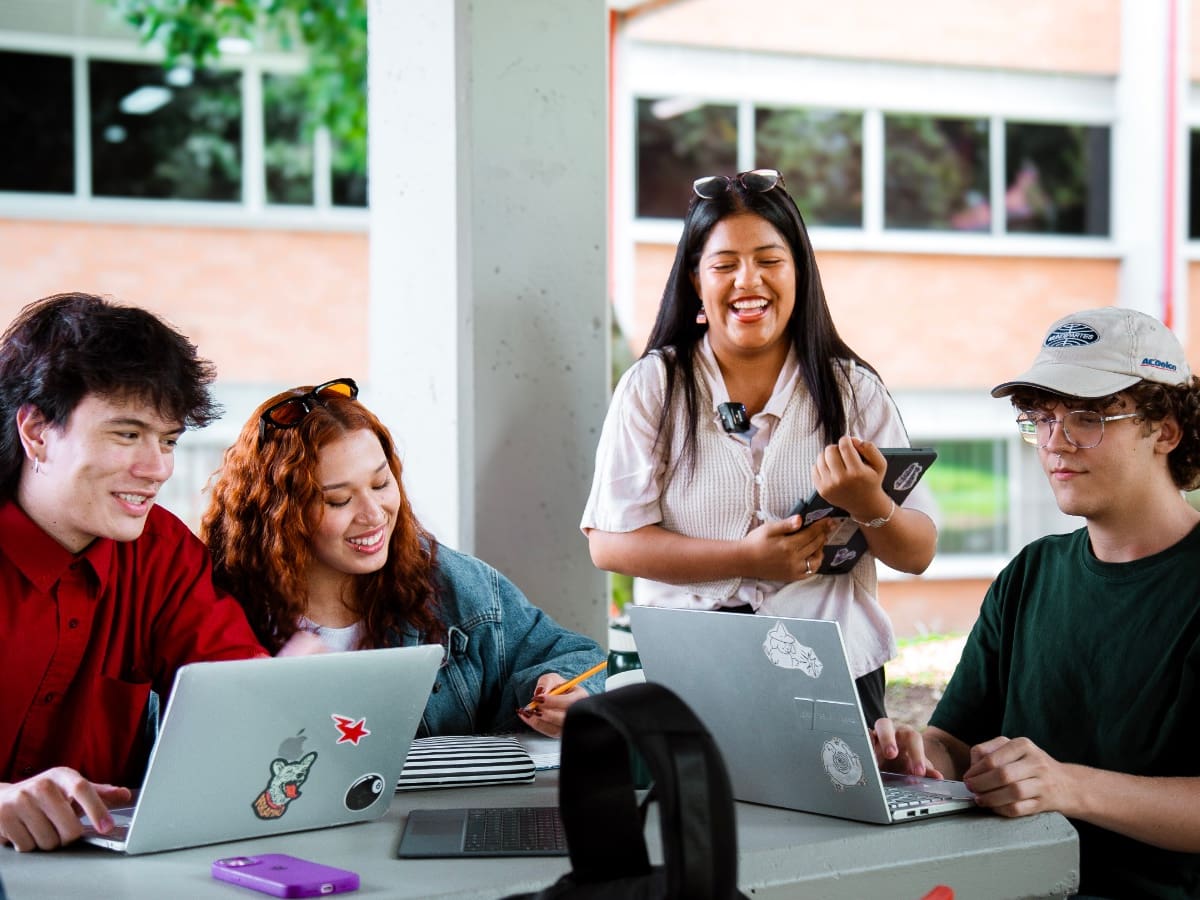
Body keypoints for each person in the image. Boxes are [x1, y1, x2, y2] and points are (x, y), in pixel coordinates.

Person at [581, 168, 937, 724]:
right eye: (724, 265)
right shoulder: (654, 386)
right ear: (696, 280)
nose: (748, 281)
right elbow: (610, 545)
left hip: (833, 668)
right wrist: (744, 558)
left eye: (769, 261)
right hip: (691, 669)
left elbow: (917, 553)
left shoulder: (852, 390)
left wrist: (870, 503)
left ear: (799, 272)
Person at [875, 307, 1200, 898]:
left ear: (1166, 431)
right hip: (1009, 883)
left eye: (1088, 418)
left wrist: (1067, 787)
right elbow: (956, 744)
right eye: (1042, 419)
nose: (1055, 443)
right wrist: (915, 761)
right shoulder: (1030, 573)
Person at [0, 292, 296, 853]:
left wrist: (285, 694)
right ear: (37, 432)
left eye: (168, 440)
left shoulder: (164, 554)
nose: (158, 468)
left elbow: (237, 694)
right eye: (127, 434)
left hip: (92, 875)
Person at [201, 378, 606, 739]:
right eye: (338, 500)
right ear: (280, 514)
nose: (373, 514)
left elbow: (580, 657)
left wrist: (565, 687)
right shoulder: (214, 605)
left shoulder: (452, 583)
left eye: (381, 483)